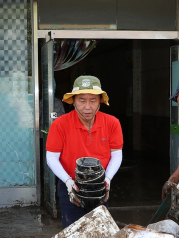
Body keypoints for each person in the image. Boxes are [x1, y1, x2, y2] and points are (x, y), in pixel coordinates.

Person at [46, 75, 123, 227]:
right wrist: (68, 181)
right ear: (73, 101)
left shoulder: (112, 123)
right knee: (72, 235)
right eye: (82, 100)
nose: (87, 107)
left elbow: (116, 154)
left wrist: (107, 179)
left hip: (100, 186)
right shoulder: (60, 124)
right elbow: (51, 157)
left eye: (93, 100)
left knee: (99, 234)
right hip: (70, 184)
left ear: (100, 101)